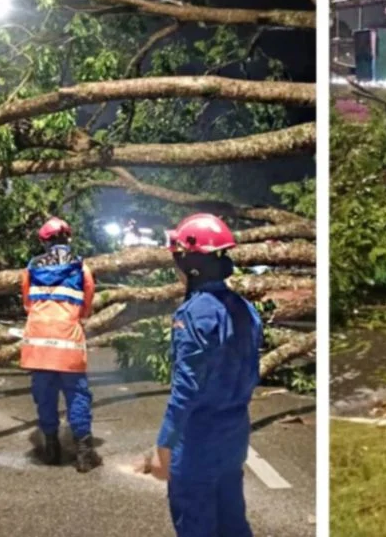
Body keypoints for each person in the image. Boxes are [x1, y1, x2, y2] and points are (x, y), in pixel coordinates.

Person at [143, 213, 264, 537]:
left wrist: (164, 445)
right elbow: (252, 371)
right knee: (233, 522)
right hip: (234, 434)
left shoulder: (194, 314)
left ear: (191, 264)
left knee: (196, 524)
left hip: (198, 441)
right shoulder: (246, 309)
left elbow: (186, 389)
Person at [20, 216, 101, 472]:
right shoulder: (81, 267)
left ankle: (51, 449)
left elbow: (27, 304)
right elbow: (86, 304)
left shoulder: (32, 267)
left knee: (44, 395)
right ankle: (84, 453)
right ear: (68, 238)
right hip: (68, 341)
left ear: (44, 241)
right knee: (77, 395)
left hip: (38, 343)